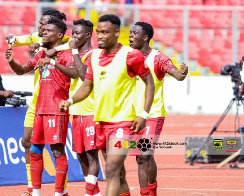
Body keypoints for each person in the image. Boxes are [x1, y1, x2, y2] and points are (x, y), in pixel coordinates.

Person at [59, 14, 155, 196]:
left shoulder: (131, 55)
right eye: (98, 32)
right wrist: (70, 101)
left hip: (123, 124)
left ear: (117, 32)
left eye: (105, 32)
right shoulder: (94, 57)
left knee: (111, 169)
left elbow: (149, 82)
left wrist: (143, 114)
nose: (100, 36)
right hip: (101, 123)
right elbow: (87, 86)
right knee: (119, 176)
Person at [5, 17, 76, 196]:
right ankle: (35, 191)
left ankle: (60, 192)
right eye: (43, 31)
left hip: (56, 110)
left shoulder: (67, 54)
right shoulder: (41, 54)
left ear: (60, 34)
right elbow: (22, 70)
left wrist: (53, 62)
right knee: (35, 148)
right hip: (39, 109)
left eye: (48, 31)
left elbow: (76, 74)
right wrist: (11, 61)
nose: (43, 33)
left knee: (57, 150)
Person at [128, 21, 188, 196]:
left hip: (152, 114)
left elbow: (176, 74)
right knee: (139, 159)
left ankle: (152, 191)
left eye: (134, 33)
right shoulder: (127, 56)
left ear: (145, 37)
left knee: (146, 154)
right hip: (132, 116)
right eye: (130, 33)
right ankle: (144, 193)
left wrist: (182, 74)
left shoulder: (158, 58)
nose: (130, 36)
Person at [67, 19, 101, 196]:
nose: (73, 37)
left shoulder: (95, 54)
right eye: (72, 33)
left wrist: (73, 51)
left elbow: (83, 76)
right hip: (76, 112)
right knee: (80, 155)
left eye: (77, 33)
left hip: (91, 111)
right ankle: (94, 193)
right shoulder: (76, 55)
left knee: (91, 154)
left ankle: (89, 193)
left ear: (88, 35)